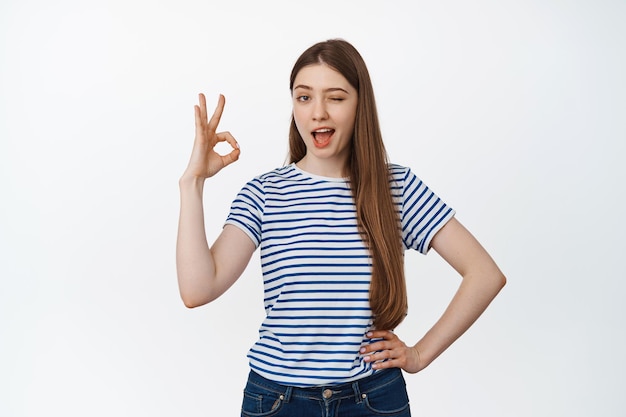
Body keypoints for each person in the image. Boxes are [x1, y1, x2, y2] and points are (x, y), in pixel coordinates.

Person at [176, 38, 506, 417]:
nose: (318, 112)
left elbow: (484, 274)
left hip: (373, 399)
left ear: (359, 104)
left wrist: (418, 355)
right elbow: (197, 289)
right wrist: (192, 183)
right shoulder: (265, 192)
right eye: (304, 98)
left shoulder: (395, 187)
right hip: (277, 401)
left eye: (335, 97)